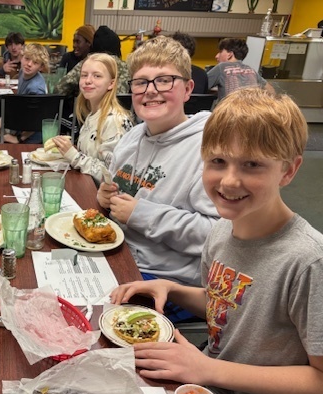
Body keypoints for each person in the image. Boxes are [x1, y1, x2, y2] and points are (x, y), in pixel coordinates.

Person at [110, 88, 323, 394]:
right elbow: (233, 305)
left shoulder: (309, 261)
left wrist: (208, 370)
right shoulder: (221, 233)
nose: (229, 180)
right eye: (218, 161)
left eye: (252, 164)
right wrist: (174, 289)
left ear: (288, 170)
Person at [97, 36, 219, 309]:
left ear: (188, 89)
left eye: (164, 80)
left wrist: (142, 215)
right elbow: (122, 196)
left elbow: (218, 234)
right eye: (141, 82)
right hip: (118, 256)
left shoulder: (210, 152)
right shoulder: (130, 140)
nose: (150, 90)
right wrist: (105, 198)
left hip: (168, 282)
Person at [49, 53, 134, 184]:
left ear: (111, 84)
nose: (88, 80)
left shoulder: (115, 121)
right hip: (84, 186)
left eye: (97, 76)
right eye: (84, 75)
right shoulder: (91, 115)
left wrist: (73, 155)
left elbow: (113, 175)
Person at [54, 26, 131, 137]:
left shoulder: (89, 64)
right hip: (124, 121)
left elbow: (59, 89)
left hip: (92, 120)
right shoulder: (127, 67)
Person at [3, 43, 50, 145]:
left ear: (41, 67)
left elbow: (37, 120)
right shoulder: (23, 72)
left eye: (35, 62)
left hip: (31, 136)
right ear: (21, 57)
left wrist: (18, 139)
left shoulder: (36, 89)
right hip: (22, 124)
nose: (29, 64)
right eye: (27, 58)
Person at [207, 37, 272, 101]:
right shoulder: (251, 70)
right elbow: (271, 91)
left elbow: (200, 85)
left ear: (230, 54)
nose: (217, 56)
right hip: (252, 110)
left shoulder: (222, 67)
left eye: (221, 52)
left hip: (229, 110)